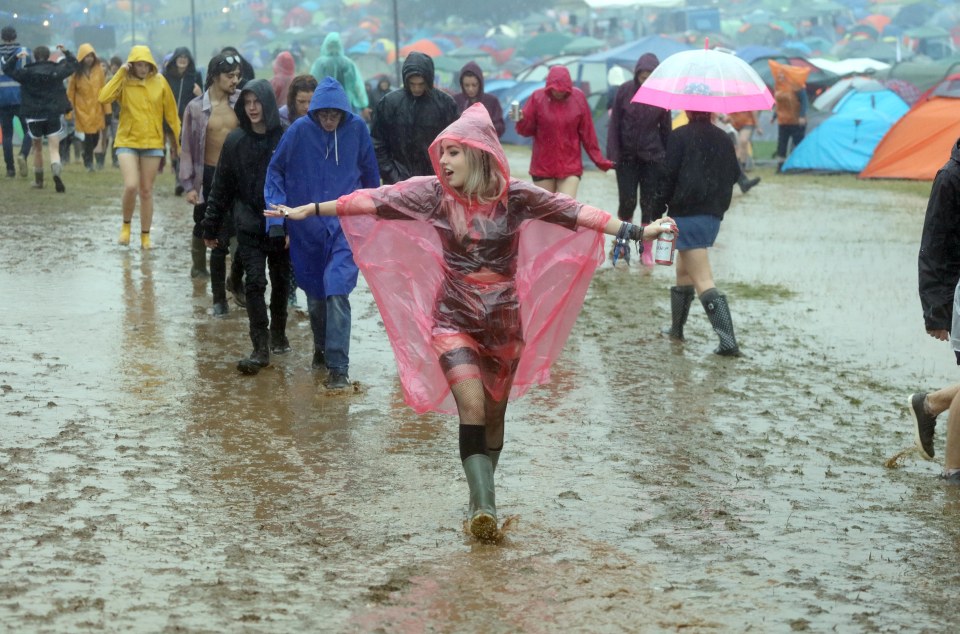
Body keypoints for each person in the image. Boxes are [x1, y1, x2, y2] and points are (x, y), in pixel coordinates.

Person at [267, 104, 675, 540]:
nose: (442, 162)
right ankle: (485, 507)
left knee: (495, 417)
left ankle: (481, 498)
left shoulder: (516, 196)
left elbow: (574, 211)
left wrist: (639, 232)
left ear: (479, 154)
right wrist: (312, 208)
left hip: (502, 321)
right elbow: (374, 201)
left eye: (453, 153)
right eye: (441, 153)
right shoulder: (433, 195)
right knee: (473, 407)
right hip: (452, 317)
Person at [264, 77, 380, 388]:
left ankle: (338, 369)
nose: (329, 121)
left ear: (344, 112)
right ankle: (321, 348)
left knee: (336, 289)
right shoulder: (299, 131)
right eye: (324, 115)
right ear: (314, 112)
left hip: (345, 227)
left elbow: (371, 178)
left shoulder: (357, 131)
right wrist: (276, 221)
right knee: (315, 297)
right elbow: (275, 171)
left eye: (335, 115)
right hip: (307, 229)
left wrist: (373, 220)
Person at [201, 79, 289, 374]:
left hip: (280, 224)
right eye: (247, 103)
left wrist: (293, 226)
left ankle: (278, 334)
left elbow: (299, 184)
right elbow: (221, 186)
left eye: (257, 102)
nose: (252, 108)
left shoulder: (286, 137)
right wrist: (210, 226)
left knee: (280, 282)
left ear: (268, 104)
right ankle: (259, 347)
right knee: (255, 283)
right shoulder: (236, 140)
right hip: (249, 224)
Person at [655, 111, 742, 357]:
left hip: (687, 214)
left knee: (702, 278)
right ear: (712, 111)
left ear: (688, 111)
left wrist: (657, 209)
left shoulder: (679, 136)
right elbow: (735, 174)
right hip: (711, 215)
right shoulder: (724, 138)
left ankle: (728, 343)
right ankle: (676, 329)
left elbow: (667, 176)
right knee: (684, 271)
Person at [910, 136, 960, 482]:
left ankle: (930, 404)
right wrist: (936, 311)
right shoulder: (951, 178)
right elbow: (933, 247)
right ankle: (953, 469)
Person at [98, 45, 180, 249]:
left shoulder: (160, 82)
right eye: (139, 65)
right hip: (127, 140)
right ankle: (125, 225)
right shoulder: (124, 81)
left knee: (146, 191)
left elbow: (171, 114)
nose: (143, 69)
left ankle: (145, 236)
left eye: (146, 65)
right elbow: (103, 97)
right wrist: (120, 72)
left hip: (153, 142)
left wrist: (178, 143)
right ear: (132, 64)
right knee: (131, 185)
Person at [179, 54, 241, 310]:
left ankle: (237, 281)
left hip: (238, 176)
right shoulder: (195, 108)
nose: (235, 81)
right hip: (208, 176)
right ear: (215, 76)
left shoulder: (242, 104)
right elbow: (187, 149)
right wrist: (189, 186)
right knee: (208, 228)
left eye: (238, 75)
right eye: (230, 76)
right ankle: (204, 275)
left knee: (241, 228)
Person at [606, 52, 671, 266]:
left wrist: (667, 158)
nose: (645, 80)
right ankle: (622, 244)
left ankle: (646, 249)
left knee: (649, 204)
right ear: (636, 74)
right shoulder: (624, 91)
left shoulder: (662, 94)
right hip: (626, 159)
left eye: (649, 76)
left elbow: (666, 130)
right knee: (627, 201)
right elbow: (615, 124)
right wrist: (612, 155)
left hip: (653, 158)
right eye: (642, 76)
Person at [515, 66, 614, 199]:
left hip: (570, 166)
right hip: (543, 165)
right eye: (555, 90)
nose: (559, 93)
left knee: (566, 209)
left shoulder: (578, 98)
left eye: (563, 90)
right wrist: (521, 120)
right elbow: (526, 131)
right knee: (545, 212)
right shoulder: (537, 98)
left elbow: (588, 133)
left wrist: (600, 161)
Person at [370, 52, 458, 184]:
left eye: (421, 84)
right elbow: (378, 143)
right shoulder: (389, 103)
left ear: (428, 81)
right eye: (412, 84)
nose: (416, 88)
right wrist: (391, 174)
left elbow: (455, 142)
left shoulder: (445, 104)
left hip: (436, 180)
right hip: (397, 182)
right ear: (406, 81)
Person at [2, 44, 77, 192]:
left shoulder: (26, 72)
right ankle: (56, 171)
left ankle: (39, 181)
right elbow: (74, 65)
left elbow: (6, 69)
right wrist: (66, 52)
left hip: (33, 115)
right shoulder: (56, 70)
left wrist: (15, 57)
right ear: (48, 56)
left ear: (34, 57)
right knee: (54, 148)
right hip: (52, 114)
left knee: (37, 148)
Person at [162, 47, 202, 194]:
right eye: (180, 56)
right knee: (174, 149)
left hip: (187, 118)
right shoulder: (166, 75)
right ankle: (178, 174)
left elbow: (201, 98)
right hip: (169, 119)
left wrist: (199, 93)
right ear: (175, 58)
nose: (183, 59)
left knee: (183, 150)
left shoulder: (195, 75)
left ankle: (180, 181)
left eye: (186, 57)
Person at [66, 43, 109, 172]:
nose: (89, 59)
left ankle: (86, 154)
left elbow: (104, 90)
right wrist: (69, 110)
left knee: (95, 137)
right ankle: (89, 163)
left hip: (97, 109)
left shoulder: (99, 71)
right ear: (81, 57)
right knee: (88, 137)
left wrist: (108, 111)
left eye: (91, 56)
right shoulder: (75, 74)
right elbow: (70, 93)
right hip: (82, 109)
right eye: (86, 56)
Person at [309, 32, 369, 118]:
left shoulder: (320, 63)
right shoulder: (348, 63)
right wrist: (363, 105)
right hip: (346, 106)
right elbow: (357, 86)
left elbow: (313, 84)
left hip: (323, 106)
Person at [0, 25, 31, 178]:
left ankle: (10, 169)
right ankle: (23, 155)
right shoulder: (24, 52)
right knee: (28, 131)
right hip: (21, 97)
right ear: (15, 37)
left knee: (6, 135)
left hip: (2, 99)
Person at [769, 62, 809, 172]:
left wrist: (801, 116)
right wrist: (774, 116)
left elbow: (804, 102)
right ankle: (780, 166)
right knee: (782, 143)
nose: (780, 76)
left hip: (796, 121)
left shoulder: (797, 86)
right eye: (779, 74)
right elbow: (779, 104)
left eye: (782, 74)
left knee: (798, 142)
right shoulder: (778, 87)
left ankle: (800, 164)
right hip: (783, 121)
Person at [453, 61, 504, 138]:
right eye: (467, 85)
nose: (470, 89)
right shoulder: (455, 100)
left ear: (480, 84)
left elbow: (500, 127)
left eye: (474, 85)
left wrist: (484, 127)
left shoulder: (492, 101)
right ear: (462, 84)